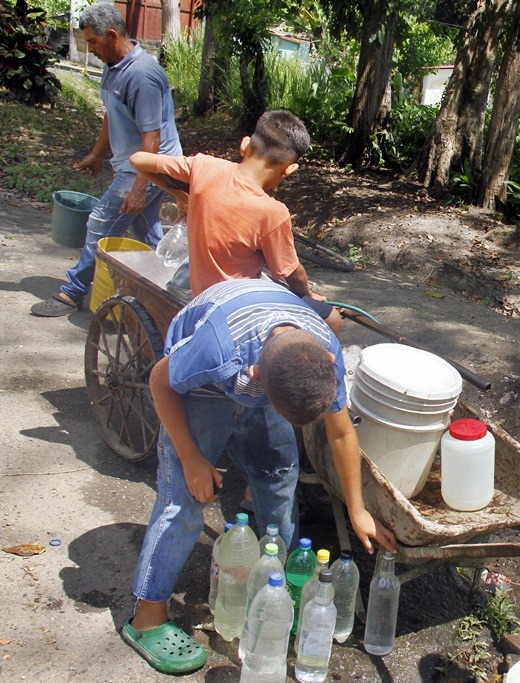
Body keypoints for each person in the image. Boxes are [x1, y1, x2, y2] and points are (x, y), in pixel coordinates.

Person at [121, 279, 396, 675]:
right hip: (201, 385)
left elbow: (340, 432)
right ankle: (145, 618)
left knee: (280, 479)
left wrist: (358, 509)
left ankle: (272, 593)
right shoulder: (215, 350)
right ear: (255, 380)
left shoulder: (320, 350)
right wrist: (191, 457)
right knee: (184, 501)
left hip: (269, 365)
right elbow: (159, 381)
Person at [128, 109, 343, 335]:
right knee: (333, 319)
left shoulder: (205, 166)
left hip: (201, 292)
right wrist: (308, 292)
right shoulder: (272, 212)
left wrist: (178, 193)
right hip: (239, 303)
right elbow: (290, 273)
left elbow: (138, 160)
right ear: (289, 169)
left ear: (245, 145)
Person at [30, 3, 180, 317]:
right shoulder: (115, 67)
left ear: (112, 35)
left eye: (93, 42)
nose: (90, 49)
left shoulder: (142, 76)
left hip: (150, 165)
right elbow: (112, 116)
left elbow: (151, 137)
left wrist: (139, 188)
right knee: (149, 231)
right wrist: (98, 154)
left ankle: (72, 292)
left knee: (102, 224)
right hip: (136, 164)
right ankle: (174, 290)